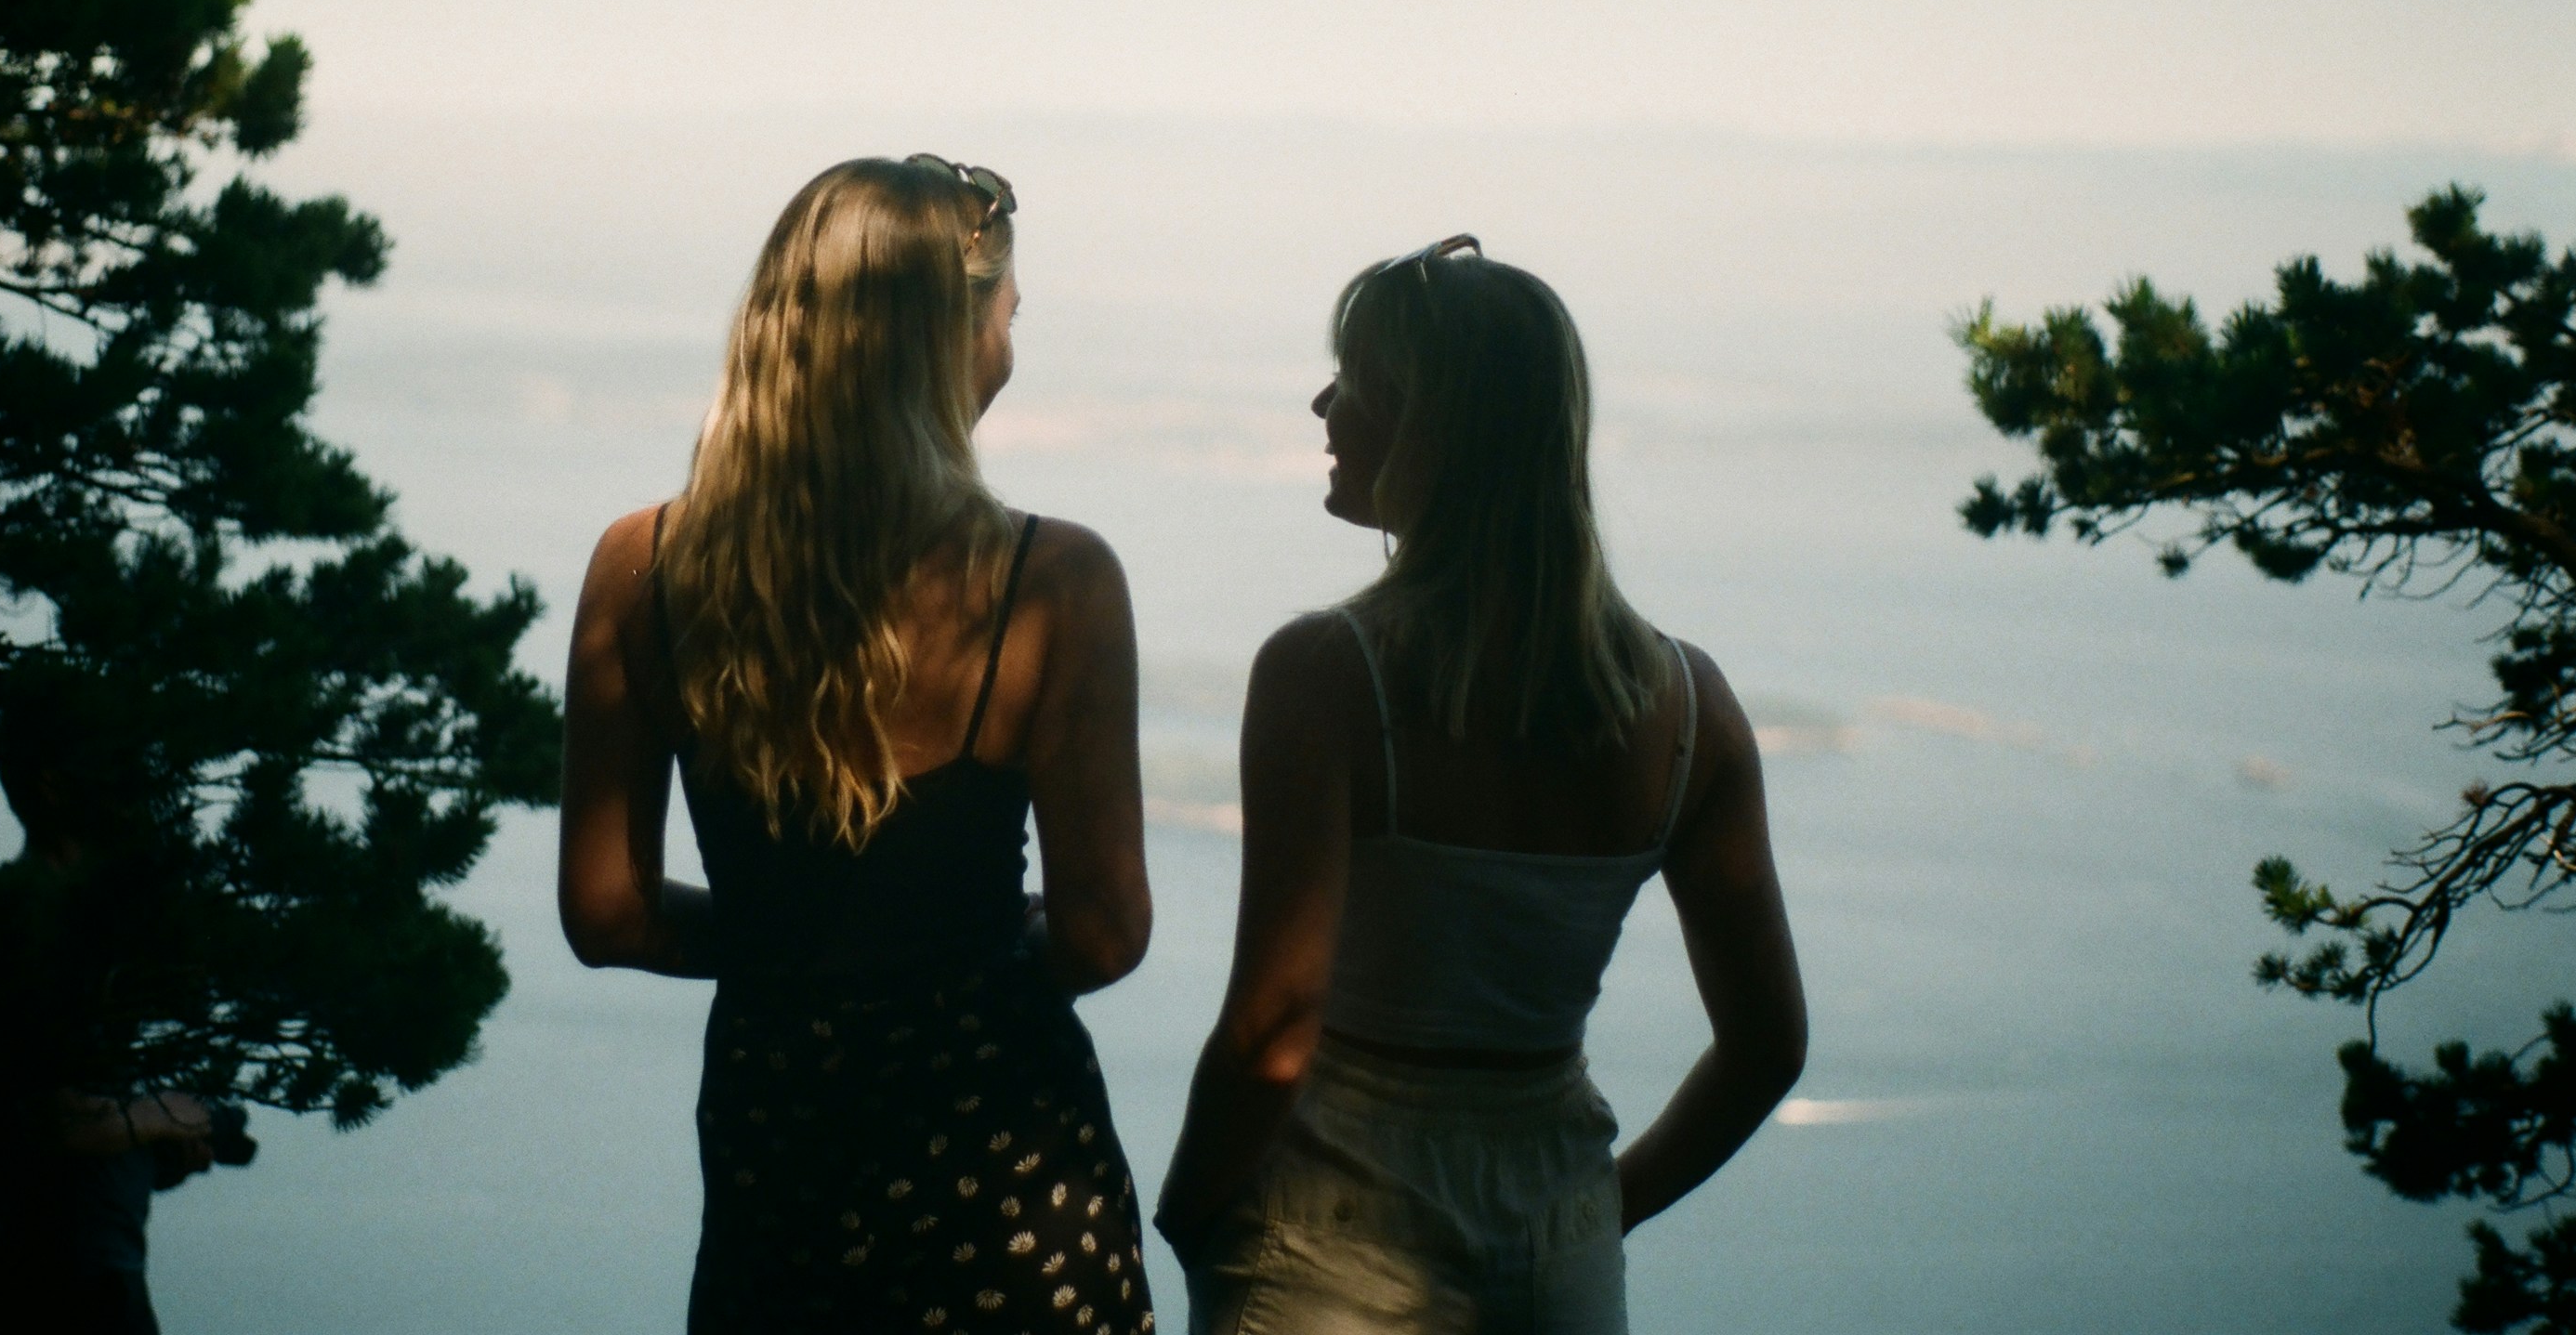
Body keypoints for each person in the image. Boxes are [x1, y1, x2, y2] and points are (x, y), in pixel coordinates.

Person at [1156, 236, 1807, 1334]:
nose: (1321, 403)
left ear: (1427, 426)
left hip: (1325, 1234)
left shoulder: (1325, 674)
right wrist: (1601, 1214)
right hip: (1557, 1251)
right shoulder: (1692, 711)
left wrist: (1185, 1214)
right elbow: (1767, 1045)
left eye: (1353, 379)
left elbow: (1272, 1024)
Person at [559, 155, 1158, 1334]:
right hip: (1015, 1197)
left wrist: (802, 952)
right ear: (948, 339)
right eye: (1004, 318)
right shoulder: (1054, 582)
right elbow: (1104, 931)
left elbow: (610, 913)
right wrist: (958, 955)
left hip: (778, 1171)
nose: (1008, 350)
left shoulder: (640, 568)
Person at [0, 716, 256, 1335]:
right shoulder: (27, 924)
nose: (131, 791)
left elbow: (42, 1132)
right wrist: (174, 1112)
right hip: (67, 1269)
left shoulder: (70, 924)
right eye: (111, 774)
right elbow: (54, 1119)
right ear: (53, 784)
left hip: (67, 1256)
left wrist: (155, 1155)